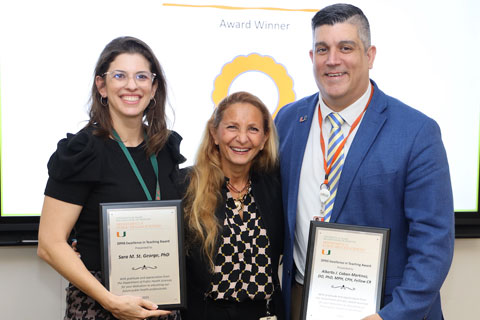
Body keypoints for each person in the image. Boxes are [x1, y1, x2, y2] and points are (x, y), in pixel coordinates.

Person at [274, 4, 454, 320]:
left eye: (346, 48)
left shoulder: (416, 132)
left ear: (369, 56)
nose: (332, 60)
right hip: (301, 300)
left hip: (383, 309)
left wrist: (393, 315)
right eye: (322, 49)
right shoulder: (288, 121)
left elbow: (434, 245)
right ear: (311, 57)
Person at [37, 36, 185, 320]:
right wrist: (111, 301)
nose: (132, 85)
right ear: (102, 86)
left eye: (142, 76)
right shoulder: (82, 150)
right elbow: (49, 243)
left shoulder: (165, 149)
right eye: (120, 75)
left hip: (160, 307)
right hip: (100, 306)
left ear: (154, 88)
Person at [180, 91, 285, 320]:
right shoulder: (183, 186)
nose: (242, 138)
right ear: (214, 133)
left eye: (253, 129)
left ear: (264, 139)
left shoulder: (277, 188)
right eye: (232, 127)